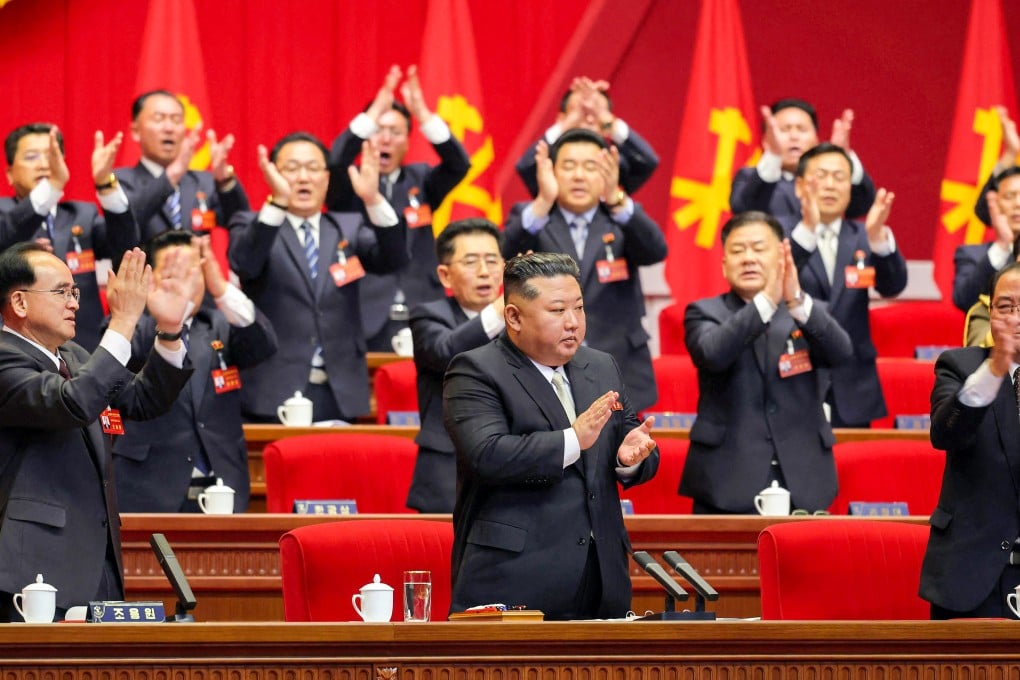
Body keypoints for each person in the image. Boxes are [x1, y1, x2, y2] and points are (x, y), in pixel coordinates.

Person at [444, 252, 659, 620]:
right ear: (513, 316)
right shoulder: (476, 371)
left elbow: (631, 441)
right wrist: (573, 440)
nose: (573, 322)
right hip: (516, 576)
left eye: (578, 308)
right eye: (557, 311)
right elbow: (488, 455)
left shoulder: (601, 366)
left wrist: (627, 460)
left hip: (601, 574)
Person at [0, 242, 196, 621]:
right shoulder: (5, 357)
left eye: (75, 291)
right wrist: (122, 322)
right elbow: (73, 403)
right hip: (32, 571)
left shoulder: (72, 356)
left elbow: (141, 400)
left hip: (96, 562)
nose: (75, 302)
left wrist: (170, 330)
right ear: (20, 302)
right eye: (61, 292)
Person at [228, 132, 407, 423]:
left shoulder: (347, 227)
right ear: (272, 174)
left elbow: (394, 259)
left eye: (312, 168)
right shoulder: (252, 225)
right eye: (292, 168)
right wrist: (277, 204)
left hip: (341, 392)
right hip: (273, 390)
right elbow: (245, 264)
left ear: (327, 177)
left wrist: (372, 199)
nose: (303, 177)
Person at [680, 212, 852, 514]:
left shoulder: (808, 312)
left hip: (804, 478)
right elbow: (713, 354)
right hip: (726, 478)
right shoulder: (704, 312)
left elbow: (841, 353)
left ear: (782, 258)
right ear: (724, 266)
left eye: (759, 249)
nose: (748, 258)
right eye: (737, 251)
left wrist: (795, 302)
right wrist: (767, 302)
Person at [502, 127, 667, 412]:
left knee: (625, 453)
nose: (579, 176)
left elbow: (655, 251)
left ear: (607, 172)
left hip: (619, 362)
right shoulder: (535, 217)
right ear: (551, 172)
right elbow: (503, 253)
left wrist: (616, 200)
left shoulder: (621, 218)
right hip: (544, 361)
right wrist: (543, 202)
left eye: (590, 166)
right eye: (568, 166)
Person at [113, 231, 277, 513]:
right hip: (148, 485)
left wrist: (221, 288)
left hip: (222, 483)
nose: (184, 284)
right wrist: (163, 320)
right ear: (151, 279)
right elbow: (120, 362)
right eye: (173, 273)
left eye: (193, 272)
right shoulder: (131, 325)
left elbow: (262, 345)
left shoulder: (219, 324)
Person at [326, 65, 470, 351]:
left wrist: (423, 114)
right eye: (378, 130)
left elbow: (459, 164)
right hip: (364, 307)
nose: (386, 139)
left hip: (423, 304)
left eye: (396, 132)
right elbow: (335, 161)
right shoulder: (348, 182)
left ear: (407, 142)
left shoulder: (422, 180)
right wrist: (372, 112)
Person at [921, 261, 1020, 619]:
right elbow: (946, 433)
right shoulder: (960, 366)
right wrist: (993, 372)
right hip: (972, 575)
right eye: (1005, 307)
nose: (1015, 318)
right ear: (989, 313)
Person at [789, 142, 907, 427]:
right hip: (794, 377)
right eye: (821, 176)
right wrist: (806, 231)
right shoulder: (779, 234)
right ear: (800, 186)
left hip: (853, 384)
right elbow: (773, 281)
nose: (830, 185)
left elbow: (893, 286)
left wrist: (878, 240)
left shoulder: (863, 235)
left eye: (840, 177)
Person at [0, 123, 138, 351]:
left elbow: (126, 248)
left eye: (52, 156)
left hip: (84, 348)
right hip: (15, 353)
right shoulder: (6, 218)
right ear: (10, 174)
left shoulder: (81, 214)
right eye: (32, 156)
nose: (44, 164)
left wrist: (106, 183)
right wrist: (53, 185)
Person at [407, 218, 505, 513]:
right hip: (446, 468)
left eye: (492, 260)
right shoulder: (428, 317)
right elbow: (445, 351)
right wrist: (498, 310)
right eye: (471, 262)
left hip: (512, 461)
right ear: (445, 275)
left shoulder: (523, 321)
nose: (484, 271)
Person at [115, 89, 249, 242]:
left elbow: (241, 224)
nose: (169, 128)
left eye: (176, 120)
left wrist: (225, 181)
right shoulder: (120, 181)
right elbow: (123, 225)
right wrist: (173, 174)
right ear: (135, 131)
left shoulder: (202, 182)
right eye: (159, 119)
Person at [730, 99, 876, 222]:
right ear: (766, 141)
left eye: (802, 129)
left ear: (816, 140)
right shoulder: (750, 178)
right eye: (784, 130)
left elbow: (860, 206)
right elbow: (743, 209)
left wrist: (843, 157)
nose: (794, 136)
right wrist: (774, 156)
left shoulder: (828, 181)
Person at [514, 76, 659, 198]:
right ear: (562, 119)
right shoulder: (548, 165)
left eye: (595, 113)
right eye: (580, 112)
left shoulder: (614, 165)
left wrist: (608, 120)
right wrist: (566, 126)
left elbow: (648, 161)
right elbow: (525, 166)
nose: (589, 120)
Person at [954, 166, 1020, 312]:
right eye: (1010, 196)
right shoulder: (971, 255)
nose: (1018, 204)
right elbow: (965, 301)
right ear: (995, 205)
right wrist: (1003, 245)